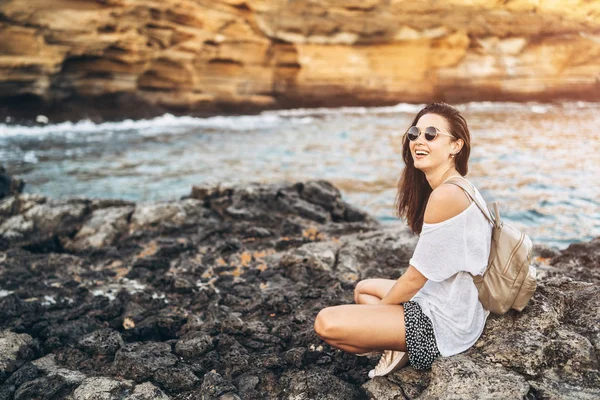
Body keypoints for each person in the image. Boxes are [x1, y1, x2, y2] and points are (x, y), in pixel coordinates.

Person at [313, 102, 493, 378]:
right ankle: (399, 344)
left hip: (445, 326)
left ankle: (404, 346)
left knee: (326, 323)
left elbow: (414, 279)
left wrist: (376, 318)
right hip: (446, 301)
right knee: (364, 289)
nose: (419, 141)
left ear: (456, 146)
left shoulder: (447, 196)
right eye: (415, 134)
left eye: (431, 134)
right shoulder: (457, 187)